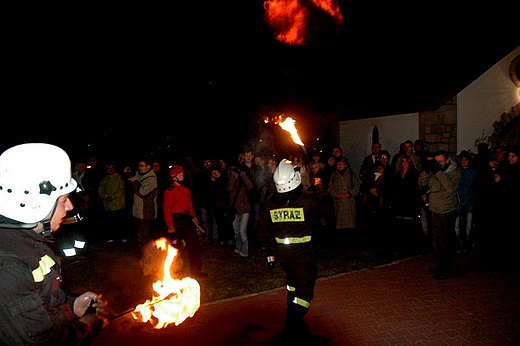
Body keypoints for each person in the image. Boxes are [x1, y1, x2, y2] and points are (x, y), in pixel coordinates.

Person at [0, 143, 110, 344]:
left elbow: (39, 295)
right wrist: (87, 326)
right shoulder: (8, 265)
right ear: (34, 204)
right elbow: (41, 340)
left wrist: (72, 303)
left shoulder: (29, 238)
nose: (69, 206)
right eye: (63, 200)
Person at [261, 160, 325, 338]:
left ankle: (292, 309)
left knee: (292, 283)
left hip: (283, 255)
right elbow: (323, 211)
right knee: (304, 292)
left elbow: (263, 229)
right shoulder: (307, 200)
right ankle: (294, 320)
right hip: (303, 254)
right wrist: (318, 189)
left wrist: (269, 250)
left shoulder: (270, 203)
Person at [420, 150, 461, 279]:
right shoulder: (436, 171)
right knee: (436, 241)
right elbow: (422, 183)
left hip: (447, 211)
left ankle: (446, 268)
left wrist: (438, 172)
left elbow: (450, 188)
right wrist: (426, 170)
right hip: (435, 209)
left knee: (444, 241)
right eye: (436, 162)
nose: (438, 164)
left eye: (441, 162)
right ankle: (440, 265)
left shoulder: (454, 172)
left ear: (447, 160)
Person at [163, 165, 206, 277]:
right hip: (176, 221)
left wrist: (195, 218)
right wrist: (170, 225)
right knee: (175, 249)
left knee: (194, 247)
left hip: (187, 220)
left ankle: (196, 272)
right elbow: (166, 209)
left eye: (182, 174)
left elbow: (190, 206)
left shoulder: (186, 189)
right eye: (180, 174)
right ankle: (172, 273)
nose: (183, 176)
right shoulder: (170, 191)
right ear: (174, 176)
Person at [327, 157, 361, 247]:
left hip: (349, 201)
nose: (339, 166)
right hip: (339, 202)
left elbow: (357, 187)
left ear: (345, 165)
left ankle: (350, 242)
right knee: (340, 223)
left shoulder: (351, 174)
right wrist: (336, 195)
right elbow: (330, 187)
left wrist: (349, 194)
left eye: (341, 164)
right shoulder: (334, 175)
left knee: (349, 223)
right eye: (338, 164)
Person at [128, 159, 158, 248]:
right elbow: (133, 176)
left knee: (143, 237)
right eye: (139, 166)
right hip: (140, 211)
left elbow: (142, 193)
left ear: (148, 167)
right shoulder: (142, 175)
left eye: (142, 166)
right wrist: (128, 172)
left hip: (146, 213)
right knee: (140, 236)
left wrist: (134, 182)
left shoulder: (151, 179)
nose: (139, 168)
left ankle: (148, 256)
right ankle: (145, 256)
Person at [228, 164, 254, 257]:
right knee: (236, 231)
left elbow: (250, 186)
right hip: (235, 210)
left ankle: (244, 251)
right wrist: (233, 177)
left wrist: (243, 174)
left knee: (242, 231)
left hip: (245, 210)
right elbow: (230, 188)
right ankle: (238, 248)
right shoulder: (232, 183)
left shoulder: (243, 184)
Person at [98, 164, 126, 243]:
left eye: (111, 168)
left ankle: (121, 237)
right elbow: (100, 189)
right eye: (108, 168)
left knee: (119, 221)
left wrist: (114, 196)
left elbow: (122, 189)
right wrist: (105, 196)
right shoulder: (104, 179)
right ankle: (111, 236)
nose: (110, 170)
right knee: (110, 221)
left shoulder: (119, 178)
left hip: (118, 204)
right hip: (108, 205)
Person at [455, 151, 477, 251]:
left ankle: (468, 243)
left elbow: (473, 188)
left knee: (468, 225)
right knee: (457, 225)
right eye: (462, 159)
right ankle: (459, 243)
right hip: (458, 202)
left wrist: (467, 200)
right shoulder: (457, 172)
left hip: (469, 202)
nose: (463, 161)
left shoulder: (473, 173)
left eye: (465, 159)